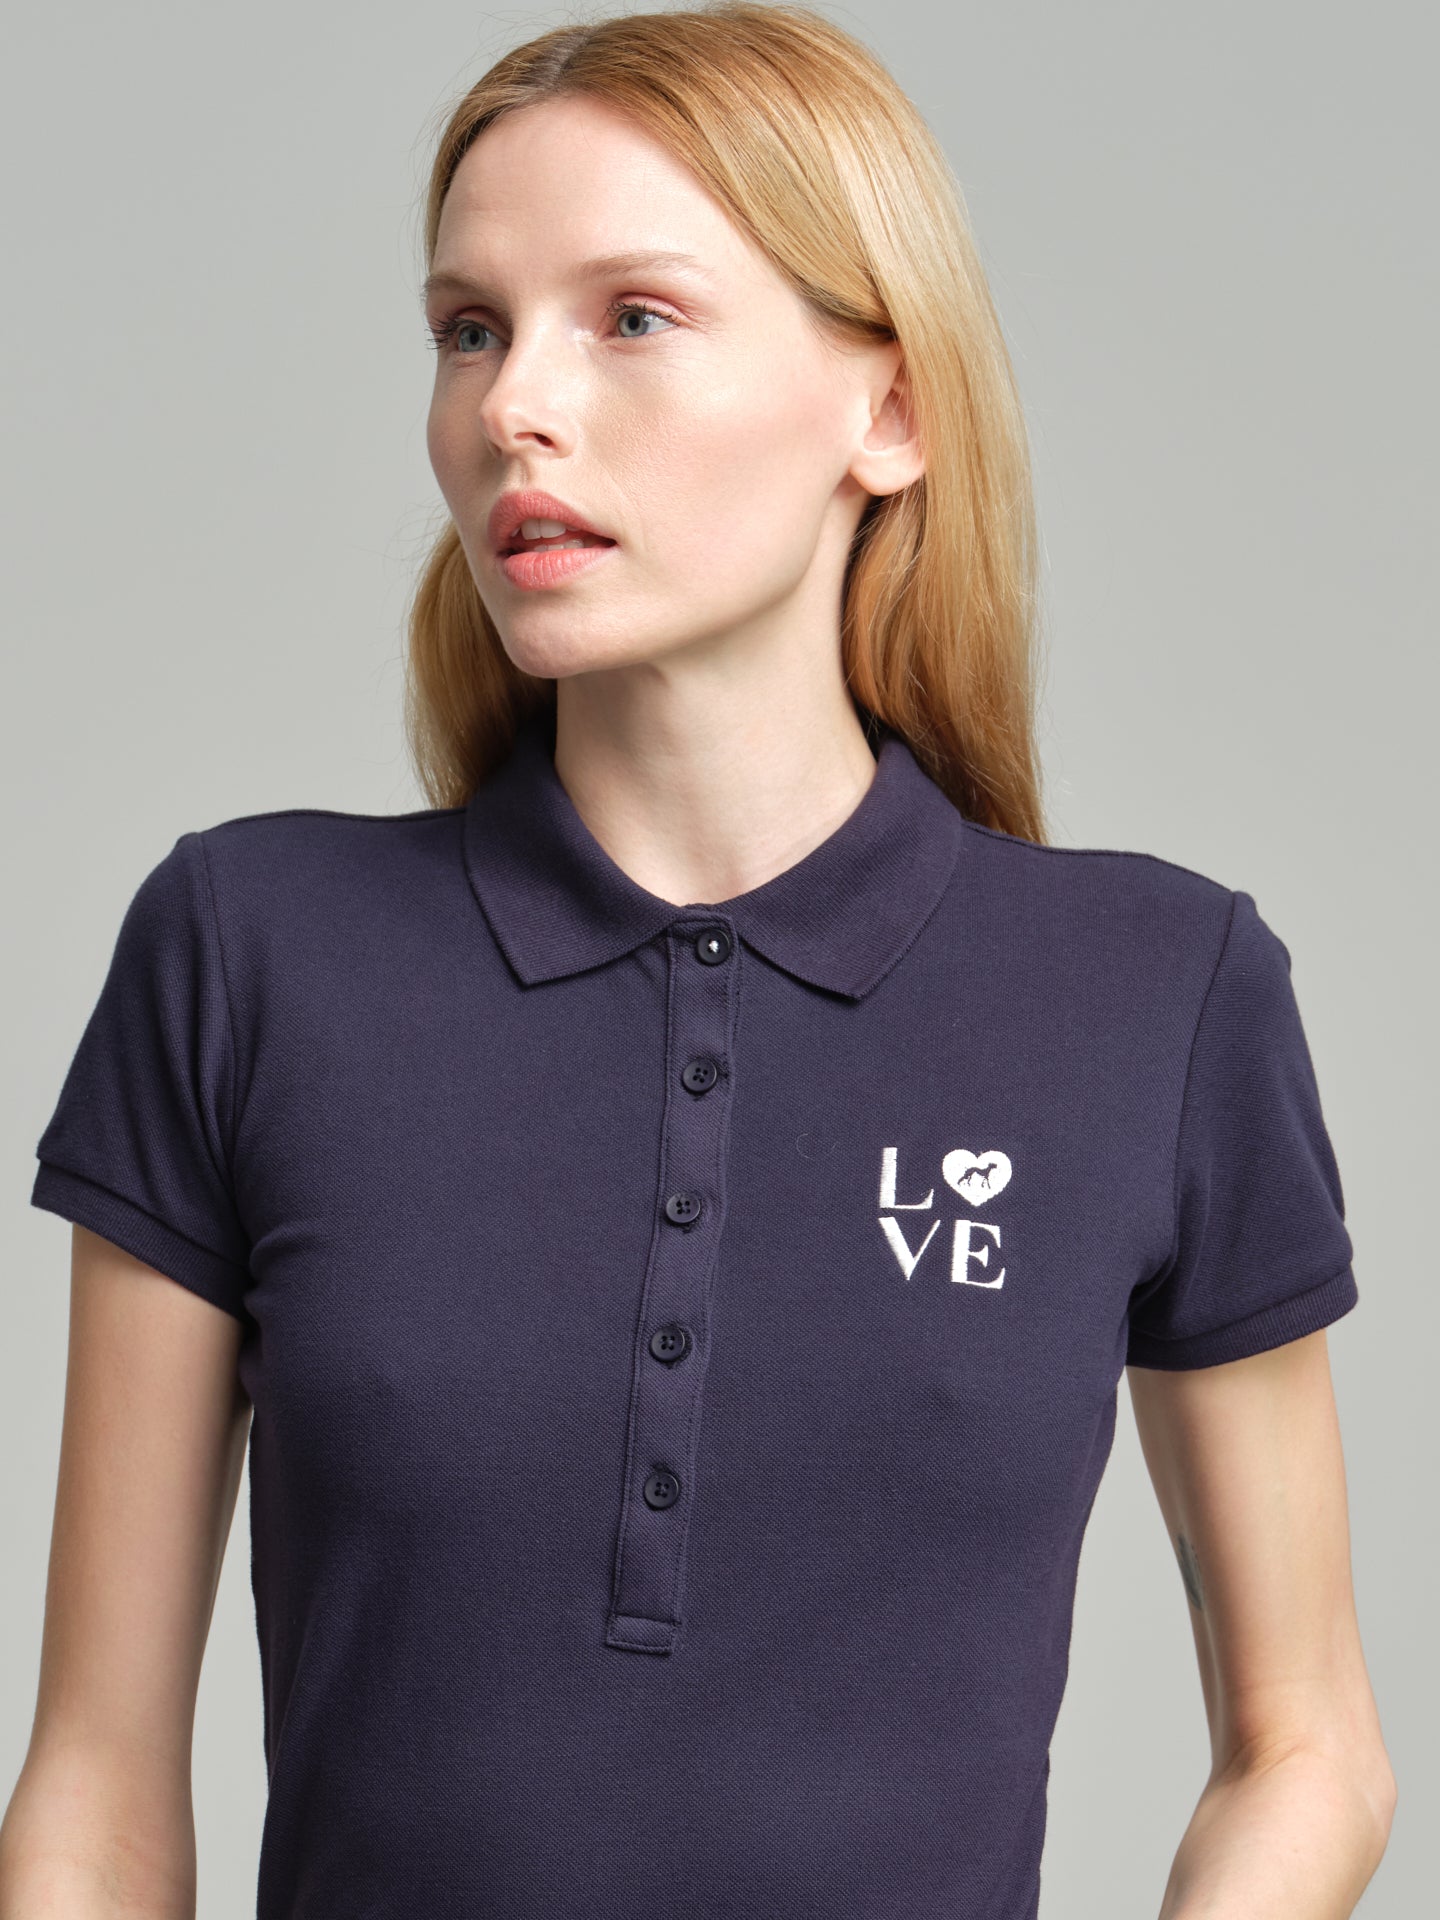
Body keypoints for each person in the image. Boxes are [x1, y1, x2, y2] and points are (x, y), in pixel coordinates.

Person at [0, 5, 1396, 1916]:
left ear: (888, 411)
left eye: (632, 317)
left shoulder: (1160, 994)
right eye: (469, 328)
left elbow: (1309, 1746)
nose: (513, 406)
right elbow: (94, 1795)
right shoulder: (247, 953)